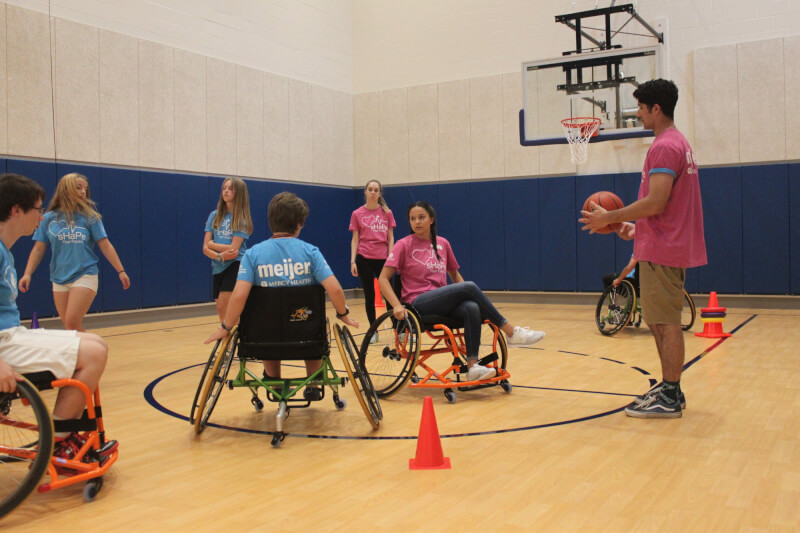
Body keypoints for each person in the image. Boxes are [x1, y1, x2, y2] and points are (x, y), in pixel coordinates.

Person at [580, 79, 707, 419]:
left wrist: (612, 215)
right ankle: (670, 389)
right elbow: (666, 207)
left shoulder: (664, 146)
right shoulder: (678, 143)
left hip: (664, 249)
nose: (637, 114)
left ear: (656, 108)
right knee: (657, 321)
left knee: (665, 322)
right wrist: (635, 228)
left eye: (640, 108)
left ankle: (669, 393)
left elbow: (657, 200)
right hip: (661, 241)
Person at [0, 173, 112, 459]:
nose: (41, 216)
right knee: (94, 354)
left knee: (97, 344)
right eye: (37, 210)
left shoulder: (6, 252)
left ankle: (61, 432)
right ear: (16, 210)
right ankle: (57, 442)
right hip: (3, 344)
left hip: (12, 333)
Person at [206, 192, 359, 399]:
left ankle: (273, 380)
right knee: (314, 321)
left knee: (268, 322)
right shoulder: (311, 252)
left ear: (270, 221)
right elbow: (336, 290)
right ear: (299, 223)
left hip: (263, 338)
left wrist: (226, 326)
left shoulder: (253, 254)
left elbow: (239, 296)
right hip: (306, 334)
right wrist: (343, 314)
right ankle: (313, 380)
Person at [378, 201, 545, 382]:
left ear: (431, 220)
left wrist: (467, 298)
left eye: (421, 217)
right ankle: (511, 331)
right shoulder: (404, 245)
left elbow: (455, 275)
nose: (417, 222)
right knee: (470, 286)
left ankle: (473, 366)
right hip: (418, 303)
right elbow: (383, 279)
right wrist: (396, 305)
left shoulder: (443, 244)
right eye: (412, 219)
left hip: (441, 301)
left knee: (471, 307)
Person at [18, 173, 130, 331]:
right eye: (79, 187)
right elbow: (38, 248)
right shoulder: (48, 219)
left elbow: (106, 245)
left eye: (85, 188)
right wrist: (27, 273)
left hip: (85, 274)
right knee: (70, 328)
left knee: (71, 321)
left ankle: (93, 352)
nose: (83, 191)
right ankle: (82, 355)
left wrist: (121, 270)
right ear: (65, 189)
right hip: (59, 277)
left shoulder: (90, 217)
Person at [349, 180, 395, 338]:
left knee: (390, 294)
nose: (373, 192)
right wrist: (353, 261)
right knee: (369, 296)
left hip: (383, 259)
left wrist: (391, 257)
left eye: (376, 190)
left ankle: (398, 329)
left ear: (380, 193)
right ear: (365, 192)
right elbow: (355, 239)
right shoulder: (357, 214)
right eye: (370, 189)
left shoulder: (387, 212)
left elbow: (390, 237)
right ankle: (373, 330)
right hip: (364, 258)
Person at [203, 177, 253, 323]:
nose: (226, 191)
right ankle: (229, 340)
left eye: (230, 188)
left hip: (235, 264)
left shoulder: (241, 219)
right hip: (218, 266)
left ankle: (235, 340)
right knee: (220, 309)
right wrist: (219, 256)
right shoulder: (214, 215)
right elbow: (204, 247)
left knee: (228, 307)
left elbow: (233, 250)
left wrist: (212, 245)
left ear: (239, 193)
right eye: (224, 188)